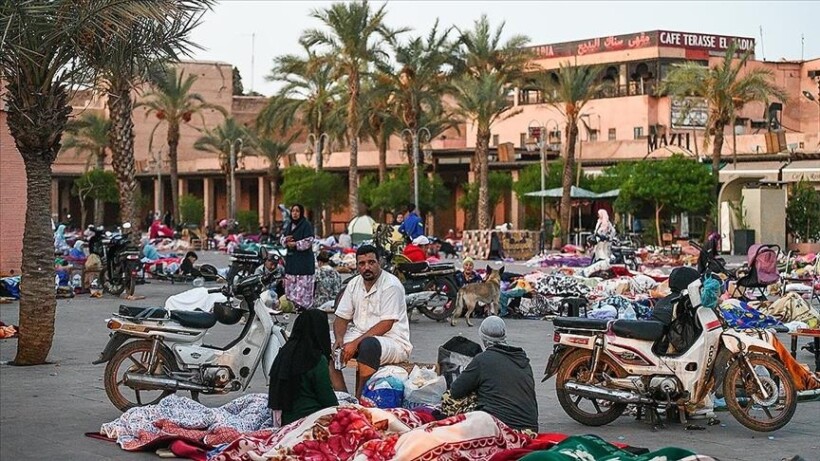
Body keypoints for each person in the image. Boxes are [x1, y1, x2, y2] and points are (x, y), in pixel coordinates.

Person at [331, 245, 412, 398]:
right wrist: (340, 339)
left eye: (371, 262)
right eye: (362, 263)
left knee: (368, 346)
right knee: (322, 342)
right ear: (357, 266)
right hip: (359, 335)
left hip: (392, 340)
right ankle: (343, 397)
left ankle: (360, 398)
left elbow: (386, 324)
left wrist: (355, 343)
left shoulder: (391, 285)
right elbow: (341, 317)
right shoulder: (354, 284)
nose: (367, 267)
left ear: (379, 262)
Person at [450, 316, 538, 432]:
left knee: (450, 399)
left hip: (501, 428)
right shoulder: (522, 360)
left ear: (482, 336)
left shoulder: (482, 360)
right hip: (530, 429)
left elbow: (455, 391)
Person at [268, 309, 339, 426]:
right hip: (310, 420)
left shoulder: (285, 353)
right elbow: (328, 399)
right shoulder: (316, 359)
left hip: (284, 421)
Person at [282, 204, 315, 311]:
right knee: (291, 282)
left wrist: (296, 244)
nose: (295, 213)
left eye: (297, 211)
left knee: (303, 284)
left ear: (301, 213)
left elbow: (309, 241)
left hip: (303, 261)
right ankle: (292, 305)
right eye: (293, 211)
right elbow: (282, 238)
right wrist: (285, 240)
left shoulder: (306, 225)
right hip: (292, 260)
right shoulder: (289, 225)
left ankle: (302, 307)